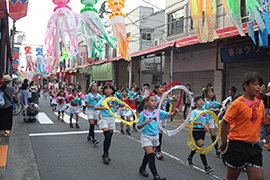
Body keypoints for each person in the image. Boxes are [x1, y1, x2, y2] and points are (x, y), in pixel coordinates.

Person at [219, 72, 265, 180]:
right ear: (246, 85)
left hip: (255, 147)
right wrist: (224, 142)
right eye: (255, 84)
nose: (258, 87)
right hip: (238, 147)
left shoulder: (261, 104)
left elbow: (261, 122)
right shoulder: (237, 103)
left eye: (260, 85)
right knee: (231, 178)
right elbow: (225, 122)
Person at [137, 93, 178, 180]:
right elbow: (138, 126)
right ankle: (156, 176)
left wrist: (175, 113)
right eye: (152, 101)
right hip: (146, 136)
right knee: (151, 155)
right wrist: (144, 123)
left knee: (148, 154)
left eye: (155, 101)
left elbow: (169, 115)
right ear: (147, 103)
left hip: (155, 136)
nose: (154, 103)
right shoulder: (143, 114)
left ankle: (142, 168)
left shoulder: (158, 112)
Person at [186, 95, 214, 174]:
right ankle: (206, 166)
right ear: (195, 103)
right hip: (196, 131)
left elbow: (207, 120)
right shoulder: (194, 112)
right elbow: (191, 121)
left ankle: (190, 157)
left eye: (202, 100)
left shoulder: (205, 111)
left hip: (202, 131)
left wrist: (207, 127)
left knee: (197, 146)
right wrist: (201, 123)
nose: (201, 102)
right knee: (202, 148)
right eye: (199, 101)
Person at [95, 84, 121, 164]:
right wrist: (104, 108)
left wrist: (123, 107)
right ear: (104, 91)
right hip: (104, 119)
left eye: (110, 89)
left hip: (112, 119)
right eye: (106, 89)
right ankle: (105, 154)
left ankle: (105, 153)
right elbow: (96, 107)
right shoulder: (102, 99)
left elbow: (122, 104)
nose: (108, 90)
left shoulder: (114, 99)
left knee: (109, 138)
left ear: (112, 90)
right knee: (107, 136)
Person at [202, 87, 222, 157]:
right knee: (201, 136)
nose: (212, 94)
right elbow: (205, 110)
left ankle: (217, 151)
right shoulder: (203, 101)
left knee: (213, 135)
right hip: (204, 120)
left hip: (211, 120)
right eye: (210, 92)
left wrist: (223, 107)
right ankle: (197, 149)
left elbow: (220, 105)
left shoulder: (213, 102)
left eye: (212, 92)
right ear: (206, 94)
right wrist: (214, 109)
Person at [85, 81, 102, 146]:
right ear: (91, 88)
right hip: (90, 111)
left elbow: (101, 103)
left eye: (96, 86)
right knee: (91, 124)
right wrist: (93, 106)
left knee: (92, 125)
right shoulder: (89, 95)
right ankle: (94, 138)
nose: (95, 87)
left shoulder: (99, 96)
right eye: (93, 86)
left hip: (97, 111)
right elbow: (86, 104)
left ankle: (89, 135)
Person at [260, 82, 270, 151]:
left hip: (266, 112)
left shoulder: (265, 96)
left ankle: (259, 144)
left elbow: (261, 105)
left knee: (263, 129)